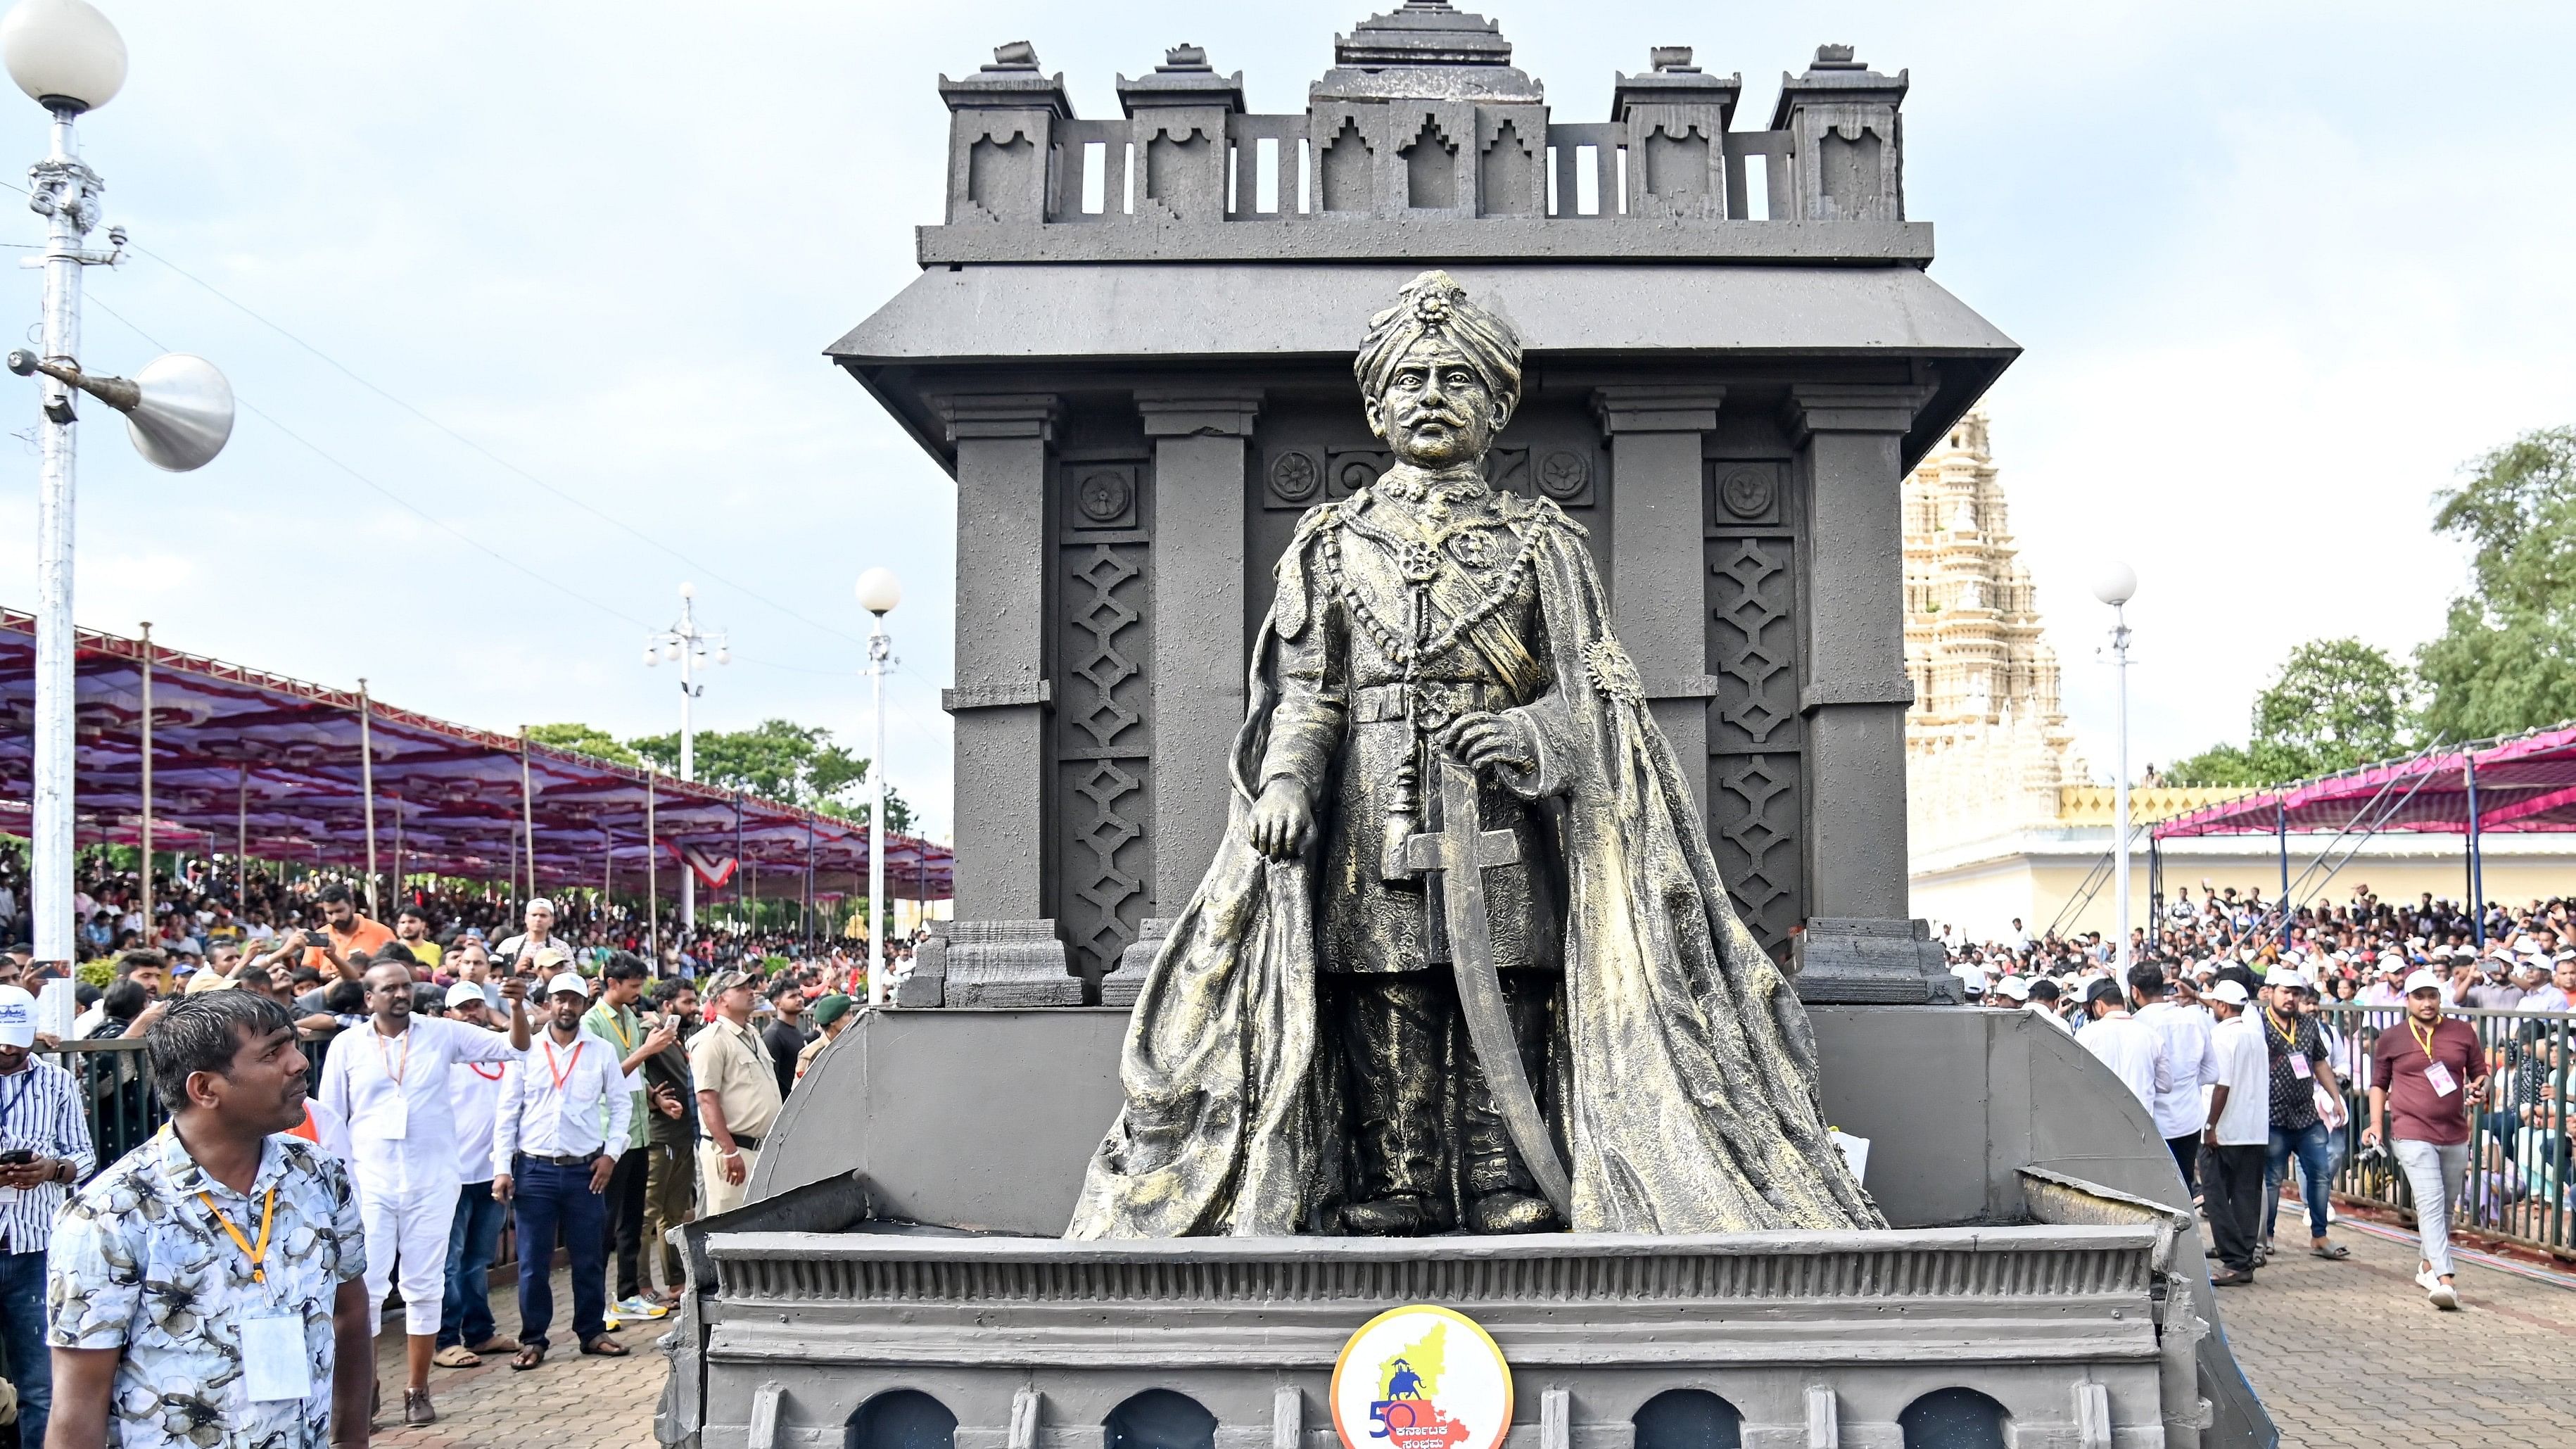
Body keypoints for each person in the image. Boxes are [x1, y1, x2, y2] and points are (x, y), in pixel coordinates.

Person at [49, 992, 372, 1449]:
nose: (300, 1063)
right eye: (273, 1052)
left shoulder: (318, 1174)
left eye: (293, 1045)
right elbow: (78, 1403)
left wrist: (350, 1437)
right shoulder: (109, 1215)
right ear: (204, 1088)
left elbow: (351, 1311)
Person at [317, 961, 530, 1426]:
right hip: (369, 1182)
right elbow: (332, 1118)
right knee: (367, 1289)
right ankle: (365, 1390)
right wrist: (337, 1190)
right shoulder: (347, 1045)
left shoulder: (441, 1033)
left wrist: (514, 1006)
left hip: (432, 1180)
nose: (400, 993)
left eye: (405, 986)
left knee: (424, 1284)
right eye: (388, 988)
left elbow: (515, 1048)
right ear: (368, 998)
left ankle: (417, 1389)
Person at [492, 973, 633, 1371]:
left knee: (589, 1256)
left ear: (583, 1006)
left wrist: (611, 1155)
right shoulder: (526, 1050)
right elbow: (508, 1113)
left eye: (573, 1000)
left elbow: (621, 1106)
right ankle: (533, 1339)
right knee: (534, 1262)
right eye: (559, 1000)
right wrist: (503, 1168)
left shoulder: (601, 1051)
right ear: (547, 1004)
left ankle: (591, 1332)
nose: (566, 1007)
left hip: (586, 1170)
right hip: (534, 1169)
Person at [0, 984, 92, 1446]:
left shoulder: (56, 1081)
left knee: (40, 1385)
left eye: (15, 1038)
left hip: (35, 1247)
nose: (6, 1047)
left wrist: (52, 1169)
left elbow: (85, 1155)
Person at [2364, 968, 2488, 1310]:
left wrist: (2480, 1088)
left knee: (2445, 1205)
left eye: (2432, 995)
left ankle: (2427, 1265)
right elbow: (2379, 1084)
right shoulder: (2392, 1037)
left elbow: (2481, 1073)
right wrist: (2376, 1123)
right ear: (2408, 1001)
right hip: (2410, 1131)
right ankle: (2445, 1280)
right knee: (2431, 1201)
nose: (2427, 1002)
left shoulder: (2462, 1032)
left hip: (2454, 1132)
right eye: (2419, 996)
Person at [583, 953, 678, 1324]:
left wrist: (655, 1098)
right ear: (613, 984)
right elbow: (599, 1080)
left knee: (632, 1221)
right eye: (634, 987)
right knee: (604, 1224)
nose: (639, 993)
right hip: (610, 1136)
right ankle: (596, 1304)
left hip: (639, 1130)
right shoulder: (592, 1022)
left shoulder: (628, 1018)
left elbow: (633, 1076)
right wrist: (647, 1051)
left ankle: (626, 1294)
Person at [434, 985, 521, 1369]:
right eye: (462, 1008)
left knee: (477, 1259)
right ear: (449, 1014)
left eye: (476, 1006)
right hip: (451, 1175)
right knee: (449, 1262)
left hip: (491, 1174)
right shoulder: (443, 1057)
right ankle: (445, 1340)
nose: (471, 1013)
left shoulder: (503, 1053)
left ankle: (480, 1334)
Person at [2259, 970, 2349, 1262]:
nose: (2291, 998)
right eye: (2285, 992)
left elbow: (2320, 1063)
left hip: (2306, 1114)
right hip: (2272, 1115)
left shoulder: (2309, 1025)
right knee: (2272, 1179)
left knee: (2320, 1174)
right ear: (2270, 991)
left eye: (2296, 993)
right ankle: (2267, 1236)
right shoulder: (2259, 1025)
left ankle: (2319, 1237)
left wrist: (2336, 1097)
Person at [690, 970, 783, 1217]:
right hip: (732, 1149)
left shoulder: (752, 1035)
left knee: (757, 1225)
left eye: (750, 986)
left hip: (759, 1148)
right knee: (729, 1228)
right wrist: (729, 1151)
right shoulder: (711, 1041)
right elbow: (707, 1099)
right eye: (741, 988)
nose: (751, 992)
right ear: (722, 999)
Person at [2200, 980, 2270, 1287]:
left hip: (2225, 1129)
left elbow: (2222, 1085)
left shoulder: (2221, 1036)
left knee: (2215, 1195)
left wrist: (2211, 1125)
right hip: (2253, 1129)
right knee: (2245, 1196)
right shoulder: (2256, 1036)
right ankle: (2242, 1258)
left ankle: (2234, 1258)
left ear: (2223, 1006)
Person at [2131, 963, 2219, 1196]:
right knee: (2184, 1189)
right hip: (2189, 1120)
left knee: (2154, 1192)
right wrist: (2187, 1082)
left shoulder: (2136, 1025)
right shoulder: (2194, 1019)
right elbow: (2212, 1073)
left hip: (2154, 1122)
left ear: (2134, 991)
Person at [640, 978, 701, 1305]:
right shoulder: (647, 1033)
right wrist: (655, 1099)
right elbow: (633, 1063)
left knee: (674, 1215)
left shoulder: (677, 1039)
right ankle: (640, 1287)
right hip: (659, 1135)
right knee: (648, 1214)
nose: (694, 1008)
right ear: (667, 1006)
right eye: (688, 1002)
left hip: (683, 1134)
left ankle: (676, 1282)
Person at [2078, 978, 2171, 1113]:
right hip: (2143, 1124)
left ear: (2098, 1006)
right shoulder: (2151, 1035)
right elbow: (2165, 1084)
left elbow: (2077, 1080)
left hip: (2102, 1120)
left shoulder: (2086, 1034)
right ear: (2124, 1004)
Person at [304, 882, 395, 980]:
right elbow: (306, 975)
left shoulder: (381, 932)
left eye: (340, 911)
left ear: (352, 907)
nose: (335, 918)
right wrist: (322, 977)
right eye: (330, 913)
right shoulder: (318, 937)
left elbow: (397, 967)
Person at [492, 898, 570, 977]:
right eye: (534, 915)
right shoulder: (508, 945)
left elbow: (572, 980)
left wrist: (545, 974)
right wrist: (514, 970)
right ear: (526, 918)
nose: (538, 919)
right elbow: (492, 976)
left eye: (543, 916)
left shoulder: (562, 948)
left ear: (552, 920)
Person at [762, 977, 811, 1099]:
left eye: (800, 995)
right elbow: (770, 1080)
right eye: (792, 996)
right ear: (778, 1004)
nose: (799, 999)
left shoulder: (795, 1031)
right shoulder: (773, 1035)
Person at [794, 994, 855, 1084]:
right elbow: (800, 1092)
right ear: (833, 1021)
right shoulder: (811, 1054)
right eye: (847, 1014)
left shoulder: (853, 1044)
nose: (852, 1019)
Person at [395, 906, 443, 972]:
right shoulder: (393, 950)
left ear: (423, 925)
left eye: (412, 922)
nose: (407, 926)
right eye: (403, 922)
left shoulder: (436, 949)